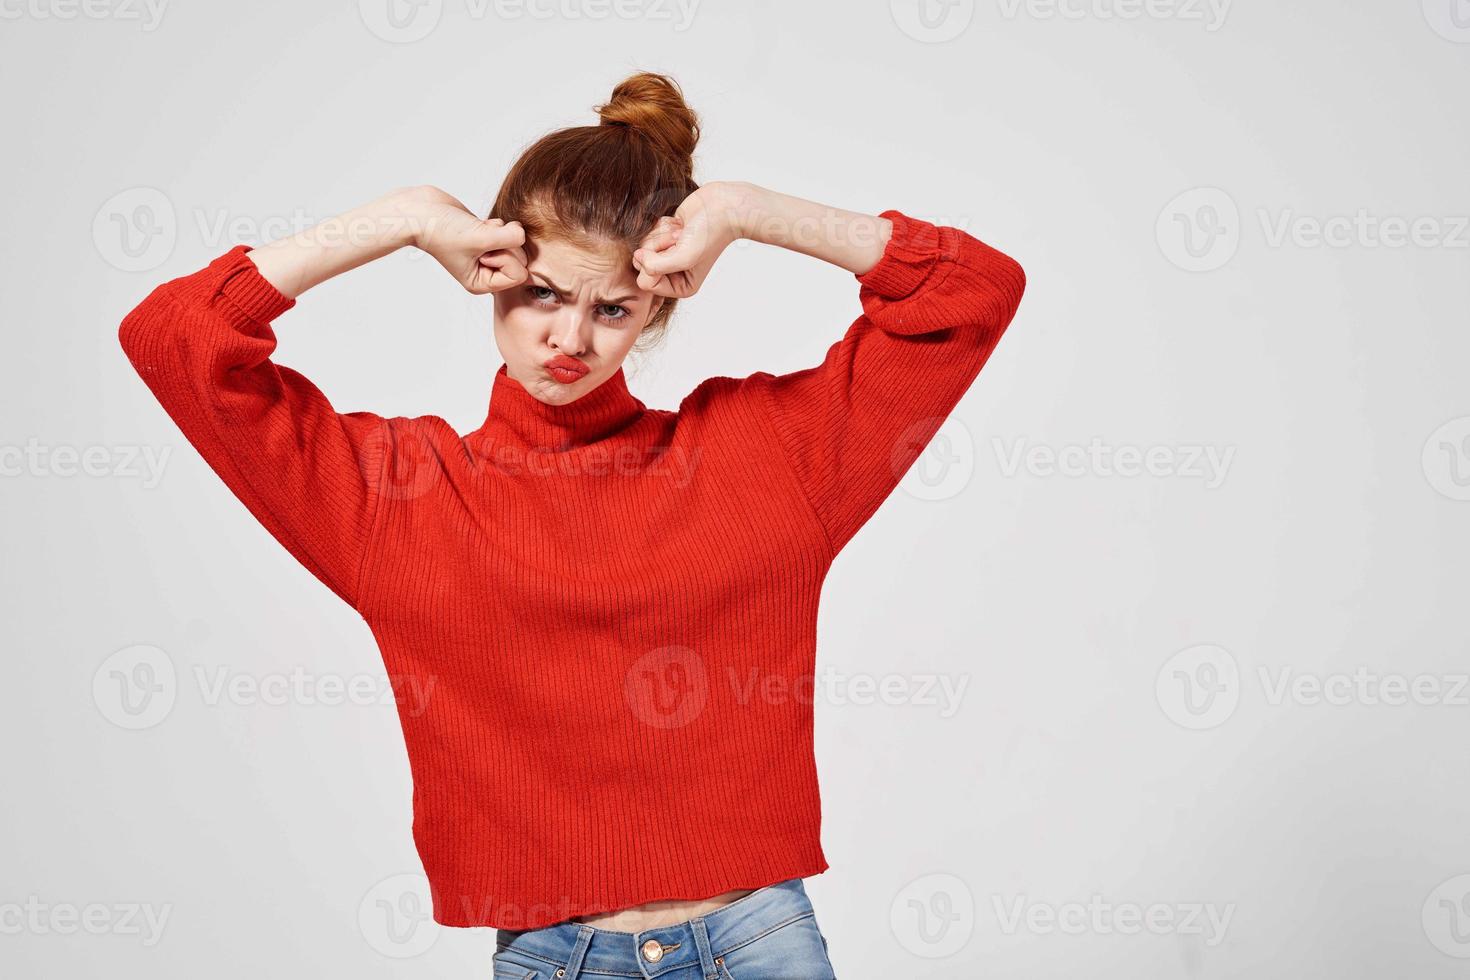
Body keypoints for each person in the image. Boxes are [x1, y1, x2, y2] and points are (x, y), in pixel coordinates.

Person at [117, 70, 1026, 979]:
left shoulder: (763, 459)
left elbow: (973, 294)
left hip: (758, 939)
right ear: (494, 270)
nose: (571, 340)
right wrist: (399, 219)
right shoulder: (397, 500)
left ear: (656, 308)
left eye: (613, 309)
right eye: (545, 293)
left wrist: (749, 211)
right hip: (558, 957)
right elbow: (173, 338)